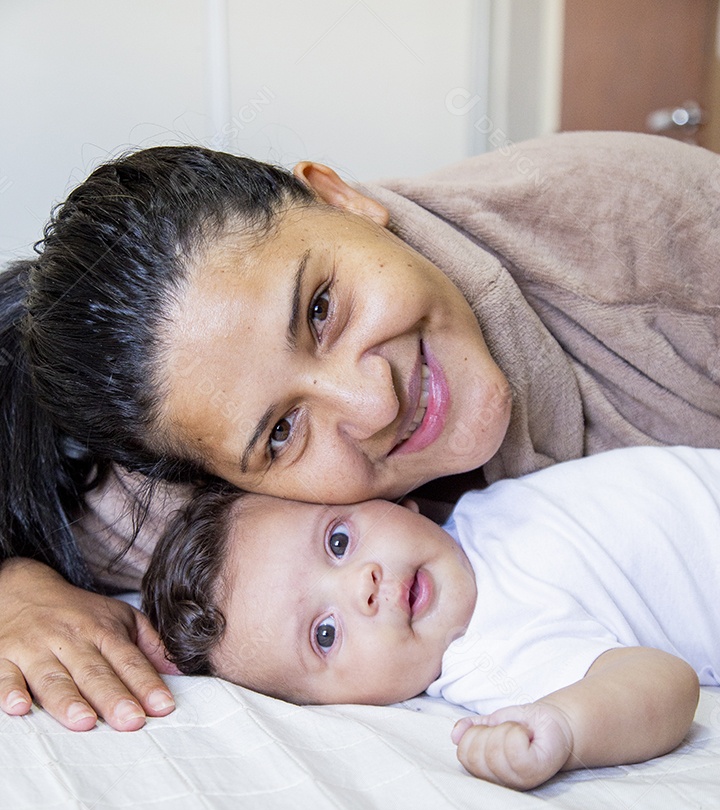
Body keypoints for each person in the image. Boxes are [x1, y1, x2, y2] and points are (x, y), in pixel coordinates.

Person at [1, 131, 719, 731]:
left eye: (319, 311)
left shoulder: (651, 245)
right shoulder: (232, 506)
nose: (374, 402)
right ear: (232, 485)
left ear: (340, 198)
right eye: (281, 432)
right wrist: (17, 587)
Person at [141, 445, 715, 791]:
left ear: (389, 501)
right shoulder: (489, 653)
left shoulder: (473, 515)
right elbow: (666, 685)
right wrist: (565, 729)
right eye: (325, 634)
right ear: (342, 705)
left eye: (338, 541)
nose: (362, 585)